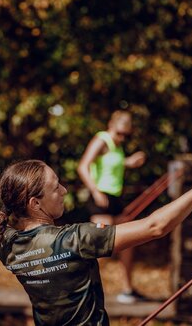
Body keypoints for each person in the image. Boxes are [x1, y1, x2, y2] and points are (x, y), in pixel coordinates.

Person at [0, 159, 192, 325]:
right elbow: (155, 227)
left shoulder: (9, 245)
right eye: (55, 187)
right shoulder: (76, 239)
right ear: (36, 203)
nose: (64, 190)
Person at [77, 110, 146, 303]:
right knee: (100, 247)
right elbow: (83, 166)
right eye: (119, 133)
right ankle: (83, 290)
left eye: (126, 134)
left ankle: (127, 290)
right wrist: (96, 192)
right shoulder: (101, 139)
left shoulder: (117, 146)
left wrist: (128, 162)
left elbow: (110, 164)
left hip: (116, 198)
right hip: (100, 198)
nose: (121, 137)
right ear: (111, 125)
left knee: (128, 244)